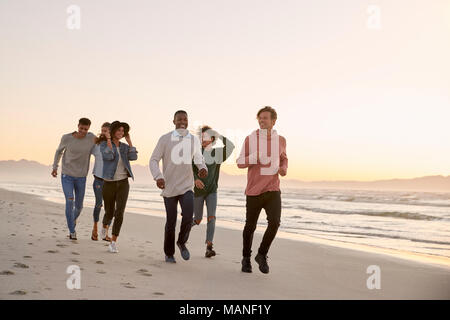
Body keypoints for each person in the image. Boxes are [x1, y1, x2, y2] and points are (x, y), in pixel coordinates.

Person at [150, 110, 208, 263]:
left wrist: (203, 169)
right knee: (171, 221)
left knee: (189, 216)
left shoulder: (193, 140)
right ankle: (169, 253)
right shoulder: (165, 139)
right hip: (169, 186)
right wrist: (158, 177)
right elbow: (154, 160)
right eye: (179, 119)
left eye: (185, 119)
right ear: (174, 121)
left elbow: (199, 159)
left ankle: (182, 242)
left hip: (187, 185)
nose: (182, 121)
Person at [236, 106, 288, 274]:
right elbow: (240, 162)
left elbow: (283, 158)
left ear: (273, 121)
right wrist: (254, 157)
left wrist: (283, 168)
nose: (261, 120)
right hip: (254, 190)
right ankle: (246, 258)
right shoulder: (250, 139)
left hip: (273, 189)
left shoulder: (281, 140)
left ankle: (262, 254)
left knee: (274, 223)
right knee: (250, 226)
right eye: (259, 118)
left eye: (265, 118)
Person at [191, 126, 235, 257]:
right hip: (198, 191)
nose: (203, 139)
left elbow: (231, 146)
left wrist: (219, 135)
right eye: (202, 136)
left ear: (212, 139)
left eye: (207, 136)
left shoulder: (217, 153)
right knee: (197, 220)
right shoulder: (195, 152)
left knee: (212, 218)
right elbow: (187, 168)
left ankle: (209, 247)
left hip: (212, 191)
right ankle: (183, 233)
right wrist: (194, 180)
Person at [51, 118, 96, 240]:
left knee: (79, 206)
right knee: (70, 200)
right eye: (81, 128)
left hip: (81, 177)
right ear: (78, 126)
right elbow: (58, 152)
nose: (83, 131)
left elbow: (100, 147)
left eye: (85, 129)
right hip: (67, 175)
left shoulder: (91, 138)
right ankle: (72, 231)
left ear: (89, 129)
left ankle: (72, 220)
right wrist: (55, 167)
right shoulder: (66, 138)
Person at [100, 121, 138, 253]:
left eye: (123, 131)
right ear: (113, 131)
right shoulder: (103, 144)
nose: (121, 133)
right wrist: (109, 139)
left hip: (123, 183)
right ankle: (105, 226)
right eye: (119, 130)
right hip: (109, 183)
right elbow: (109, 156)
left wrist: (130, 141)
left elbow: (133, 157)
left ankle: (113, 242)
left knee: (119, 212)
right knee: (109, 212)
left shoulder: (124, 147)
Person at [90, 122, 111, 241]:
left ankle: (105, 232)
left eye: (106, 131)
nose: (103, 133)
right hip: (98, 180)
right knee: (98, 204)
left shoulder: (113, 145)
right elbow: (85, 151)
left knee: (110, 208)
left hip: (110, 182)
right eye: (102, 130)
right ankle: (95, 229)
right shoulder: (96, 145)